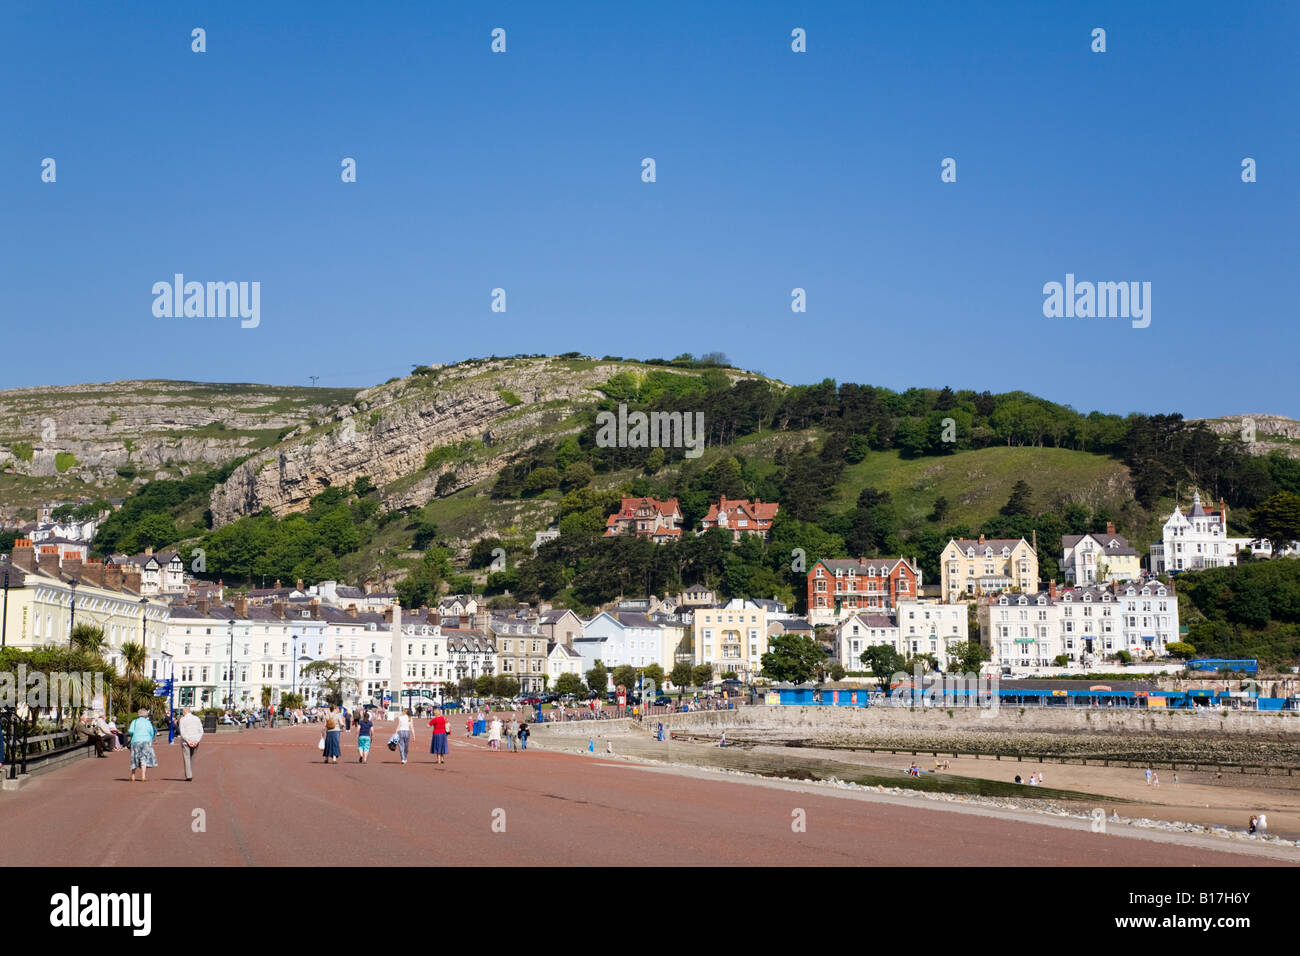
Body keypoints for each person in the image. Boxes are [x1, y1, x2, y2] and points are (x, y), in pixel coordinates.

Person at [127, 708, 157, 782]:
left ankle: (133, 775)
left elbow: (131, 731)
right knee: (143, 758)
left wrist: (134, 735)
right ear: (145, 714)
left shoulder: (135, 721)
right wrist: (150, 738)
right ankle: (143, 776)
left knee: (134, 758)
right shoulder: (148, 722)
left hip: (136, 741)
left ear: (139, 714)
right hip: (146, 741)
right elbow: (151, 732)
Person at [177, 706, 203, 781]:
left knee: (187, 758)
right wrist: (197, 740)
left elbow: (182, 732)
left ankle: (189, 775)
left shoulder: (182, 719)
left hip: (186, 741)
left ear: (184, 712)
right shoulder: (197, 718)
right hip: (195, 740)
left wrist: (188, 740)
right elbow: (201, 731)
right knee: (192, 758)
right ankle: (190, 773)